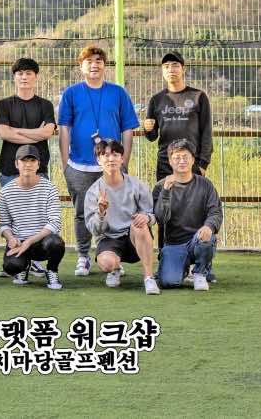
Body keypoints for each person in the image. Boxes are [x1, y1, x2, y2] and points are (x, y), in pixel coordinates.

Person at [57, 45, 140, 277]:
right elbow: (64, 129)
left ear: (104, 65)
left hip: (112, 166)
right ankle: (83, 256)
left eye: (98, 61)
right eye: (89, 61)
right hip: (79, 166)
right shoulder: (71, 93)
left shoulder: (118, 93)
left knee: (114, 210)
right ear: (81, 66)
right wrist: (65, 164)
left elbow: (128, 129)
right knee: (82, 213)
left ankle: (114, 254)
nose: (94, 65)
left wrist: (123, 162)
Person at [0, 56, 57, 277]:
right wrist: (34, 134)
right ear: (14, 77)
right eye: (20, 73)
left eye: (28, 73)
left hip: (39, 169)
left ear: (35, 77)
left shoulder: (45, 105)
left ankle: (36, 259)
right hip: (8, 168)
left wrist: (17, 131)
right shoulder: (4, 104)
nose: (24, 77)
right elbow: (4, 133)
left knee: (38, 215)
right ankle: (15, 256)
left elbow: (47, 132)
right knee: (12, 216)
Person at [83, 139, 159, 295]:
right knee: (107, 263)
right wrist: (101, 213)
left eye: (115, 155)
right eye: (105, 155)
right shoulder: (93, 192)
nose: (111, 159)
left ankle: (149, 277)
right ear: (98, 160)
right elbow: (94, 230)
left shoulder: (137, 185)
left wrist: (146, 218)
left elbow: (152, 214)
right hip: (109, 238)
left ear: (122, 158)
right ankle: (115, 269)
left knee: (139, 225)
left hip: (134, 236)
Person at [154, 139, 223, 291]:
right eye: (177, 157)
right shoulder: (160, 186)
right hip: (173, 244)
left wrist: (209, 226)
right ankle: (182, 267)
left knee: (207, 237)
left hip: (197, 239)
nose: (181, 161)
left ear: (193, 160)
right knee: (169, 282)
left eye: (185, 157)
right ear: (170, 161)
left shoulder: (205, 185)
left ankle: (200, 272)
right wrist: (165, 192)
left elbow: (216, 212)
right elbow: (160, 218)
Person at [0, 145, 64, 290]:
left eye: (32, 160)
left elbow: (55, 222)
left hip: (42, 242)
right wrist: (10, 238)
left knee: (56, 243)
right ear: (16, 164)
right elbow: (3, 224)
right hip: (19, 243)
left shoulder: (50, 188)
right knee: (11, 267)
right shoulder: (6, 191)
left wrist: (29, 241)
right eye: (24, 160)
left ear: (38, 164)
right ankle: (23, 267)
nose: (28, 164)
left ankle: (52, 270)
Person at [143, 51, 213, 182]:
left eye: (175, 65)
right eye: (166, 66)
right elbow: (151, 137)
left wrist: (203, 164)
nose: (171, 69)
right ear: (162, 71)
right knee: (166, 196)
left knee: (192, 196)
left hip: (191, 163)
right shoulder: (156, 100)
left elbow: (207, 132)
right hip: (165, 164)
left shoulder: (198, 96)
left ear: (183, 69)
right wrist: (147, 129)